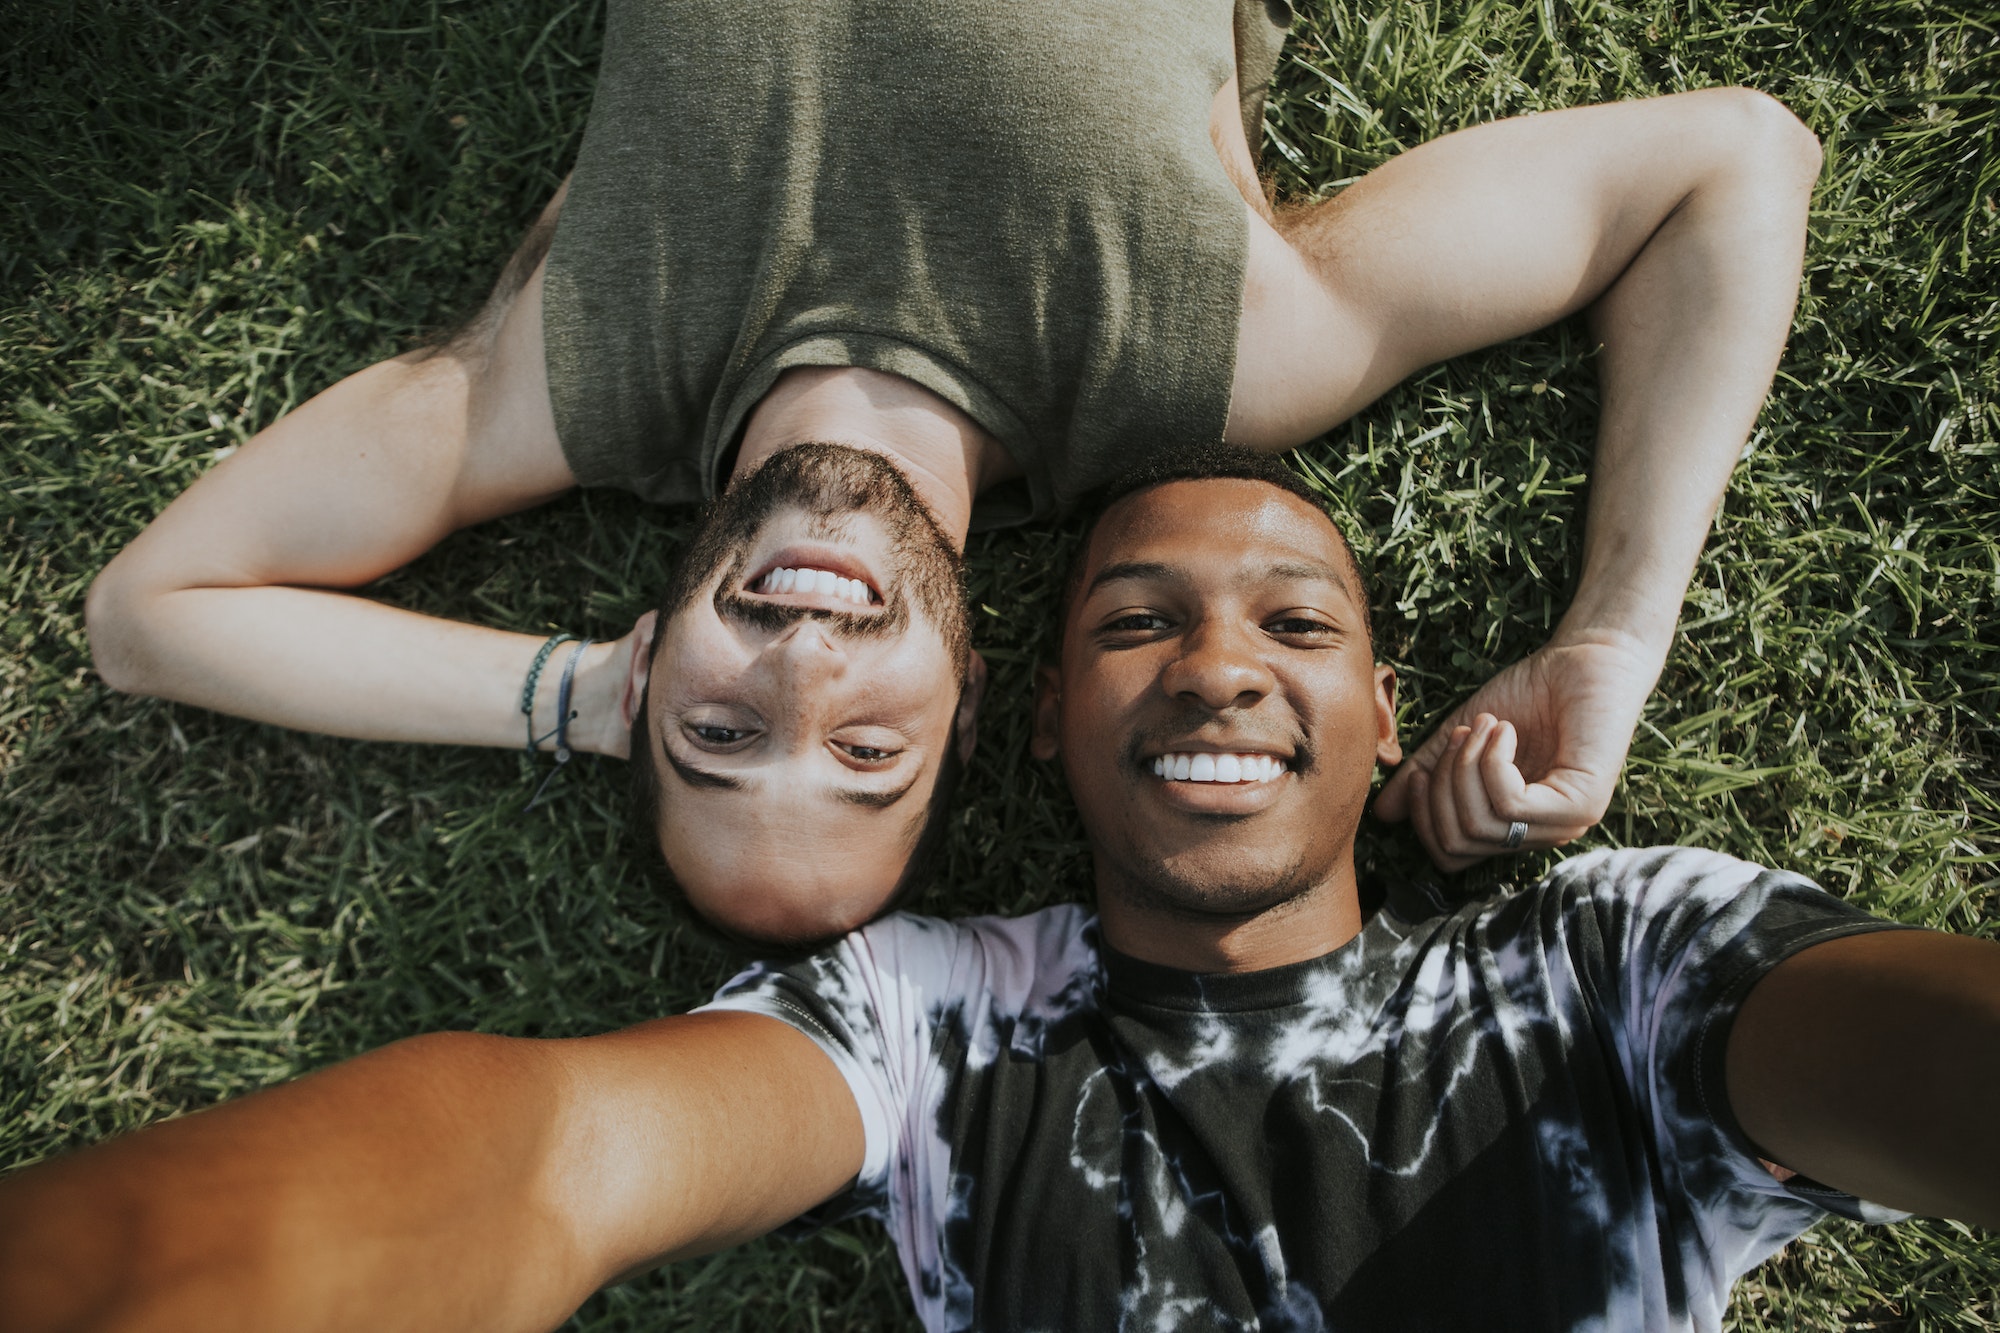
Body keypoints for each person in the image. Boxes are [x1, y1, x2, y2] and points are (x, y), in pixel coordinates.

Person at [13, 454, 1995, 1331]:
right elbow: (543, 1163)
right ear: (1036, 725)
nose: (1218, 663)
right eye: (1136, 622)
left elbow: (1918, 1054)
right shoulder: (930, 1019)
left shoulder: (1609, 963)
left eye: (1293, 623)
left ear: (1383, 709)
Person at [83, 1, 1826, 943]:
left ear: (653, 654)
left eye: (717, 728)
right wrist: (1609, 644)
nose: (801, 666)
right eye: (865, 747)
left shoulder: (564, 380)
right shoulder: (1223, 350)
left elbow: (148, 611)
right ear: (974, 691)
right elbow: (1730, 167)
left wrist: (579, 699)